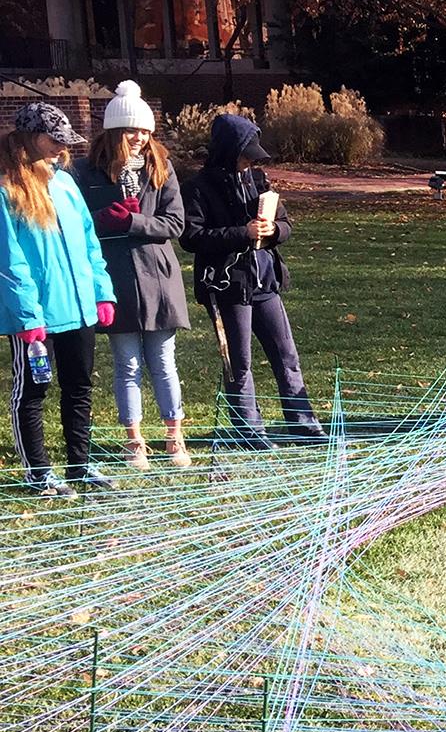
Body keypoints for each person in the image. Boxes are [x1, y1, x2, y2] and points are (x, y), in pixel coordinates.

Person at [182, 112, 321, 449]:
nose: (248, 162)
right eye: (244, 155)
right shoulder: (198, 187)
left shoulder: (259, 181)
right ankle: (248, 430)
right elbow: (192, 237)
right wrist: (240, 234)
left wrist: (274, 231)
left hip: (265, 282)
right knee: (239, 362)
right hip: (227, 287)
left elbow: (285, 223)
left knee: (286, 354)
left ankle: (303, 423)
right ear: (229, 150)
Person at [72, 81, 192, 469]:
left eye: (144, 130)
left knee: (162, 360)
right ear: (113, 131)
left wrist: (136, 222)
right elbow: (74, 224)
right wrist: (103, 221)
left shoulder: (162, 167)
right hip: (115, 276)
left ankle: (175, 436)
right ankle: (134, 440)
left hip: (157, 276)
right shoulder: (85, 170)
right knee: (126, 363)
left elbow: (174, 223)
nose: (139, 138)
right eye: (131, 130)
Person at [0, 103, 118, 497]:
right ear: (32, 138)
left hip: (80, 308)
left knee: (79, 386)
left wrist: (101, 291)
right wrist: (27, 316)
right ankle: (38, 472)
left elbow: (89, 241)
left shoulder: (65, 184)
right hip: (37, 317)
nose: (60, 149)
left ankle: (80, 466)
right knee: (32, 391)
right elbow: (10, 260)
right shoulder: (7, 189)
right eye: (54, 140)